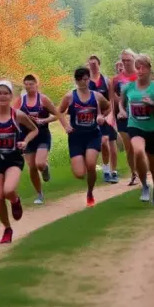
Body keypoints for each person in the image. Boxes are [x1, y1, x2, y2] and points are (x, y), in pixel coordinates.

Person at [0, 80, 39, 245]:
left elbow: (34, 129)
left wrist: (25, 142)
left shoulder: (17, 115)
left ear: (11, 96)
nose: (2, 96)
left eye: (6, 93)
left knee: (8, 190)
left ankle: (15, 201)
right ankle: (7, 228)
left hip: (13, 159)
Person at [58, 67, 112, 208]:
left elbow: (108, 107)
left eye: (87, 79)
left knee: (91, 164)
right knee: (80, 174)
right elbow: (59, 112)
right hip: (75, 137)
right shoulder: (70, 96)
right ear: (76, 80)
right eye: (82, 79)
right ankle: (78, 165)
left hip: (93, 135)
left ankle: (90, 192)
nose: (85, 81)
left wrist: (102, 116)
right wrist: (65, 126)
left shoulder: (96, 96)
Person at [121, 54, 154, 204]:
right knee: (137, 151)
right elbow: (121, 102)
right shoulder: (129, 87)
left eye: (143, 67)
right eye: (137, 67)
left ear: (149, 69)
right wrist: (121, 110)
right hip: (135, 126)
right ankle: (144, 186)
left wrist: (153, 105)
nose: (140, 70)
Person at [18, 75, 62, 205]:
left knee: (39, 164)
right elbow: (13, 114)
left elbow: (57, 114)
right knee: (31, 167)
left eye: (31, 84)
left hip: (42, 136)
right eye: (26, 84)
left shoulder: (43, 99)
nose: (28, 86)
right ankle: (39, 193)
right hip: (26, 137)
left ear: (37, 85)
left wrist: (44, 120)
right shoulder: (21, 100)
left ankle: (45, 167)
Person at [87, 55, 118, 183]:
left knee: (110, 143)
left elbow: (111, 100)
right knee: (100, 143)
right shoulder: (86, 82)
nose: (93, 66)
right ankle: (104, 169)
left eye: (95, 63)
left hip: (106, 115)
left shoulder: (106, 81)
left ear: (99, 64)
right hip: (91, 118)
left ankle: (113, 171)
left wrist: (110, 116)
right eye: (91, 64)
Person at [111, 50, 140, 186]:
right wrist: (115, 113)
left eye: (128, 60)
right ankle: (134, 173)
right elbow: (113, 99)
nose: (126, 62)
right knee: (129, 147)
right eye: (123, 60)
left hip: (140, 115)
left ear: (134, 59)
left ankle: (142, 169)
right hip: (122, 116)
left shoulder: (140, 75)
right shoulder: (116, 80)